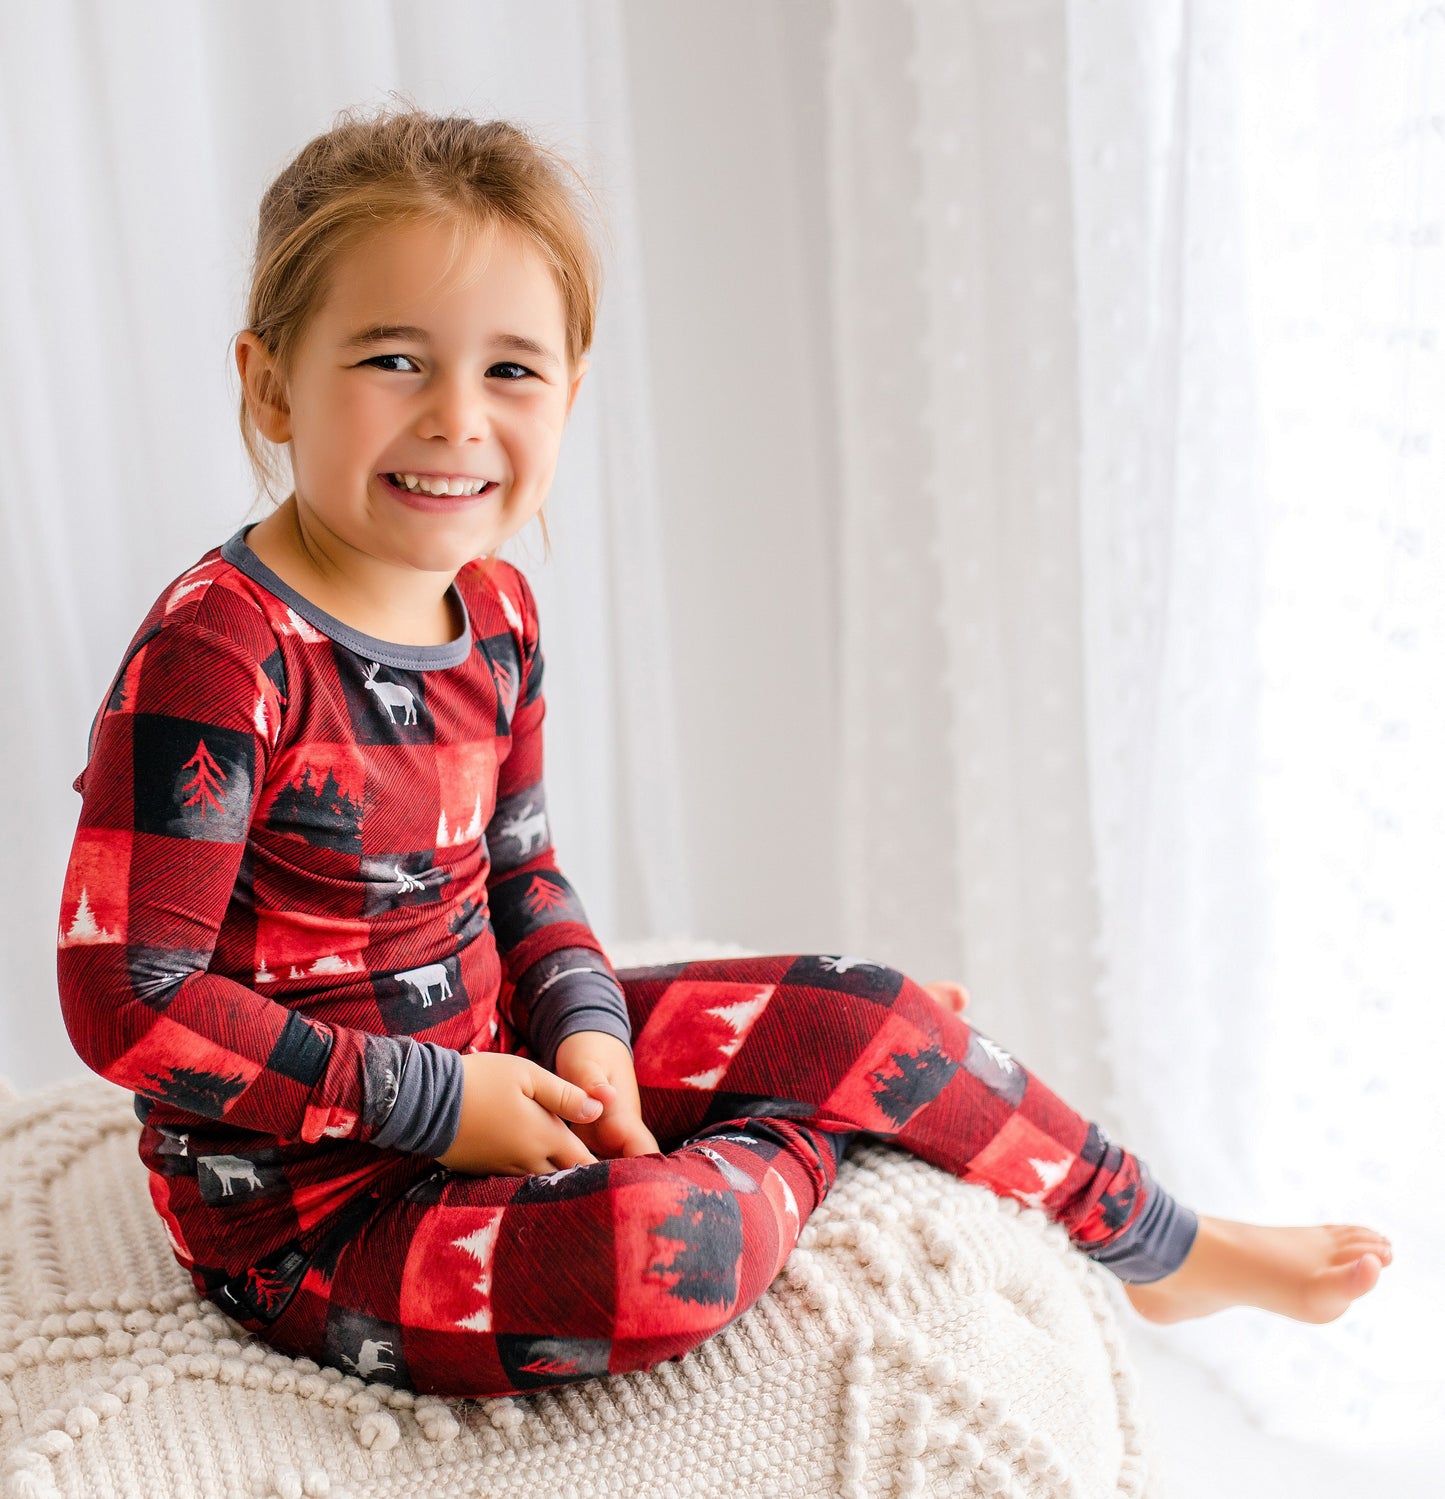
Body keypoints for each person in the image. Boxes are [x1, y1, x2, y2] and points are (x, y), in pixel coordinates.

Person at [55, 104, 1391, 1399]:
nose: (458, 416)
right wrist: (442, 1106)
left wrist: (586, 1034)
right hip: (310, 1207)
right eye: (394, 358)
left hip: (495, 1061)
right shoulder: (222, 653)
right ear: (271, 382)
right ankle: (842, 1115)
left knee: (863, 1000)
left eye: (509, 369)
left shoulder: (499, 610)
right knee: (660, 1257)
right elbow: (130, 1000)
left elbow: (519, 879)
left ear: (570, 394)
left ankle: (1161, 1248)